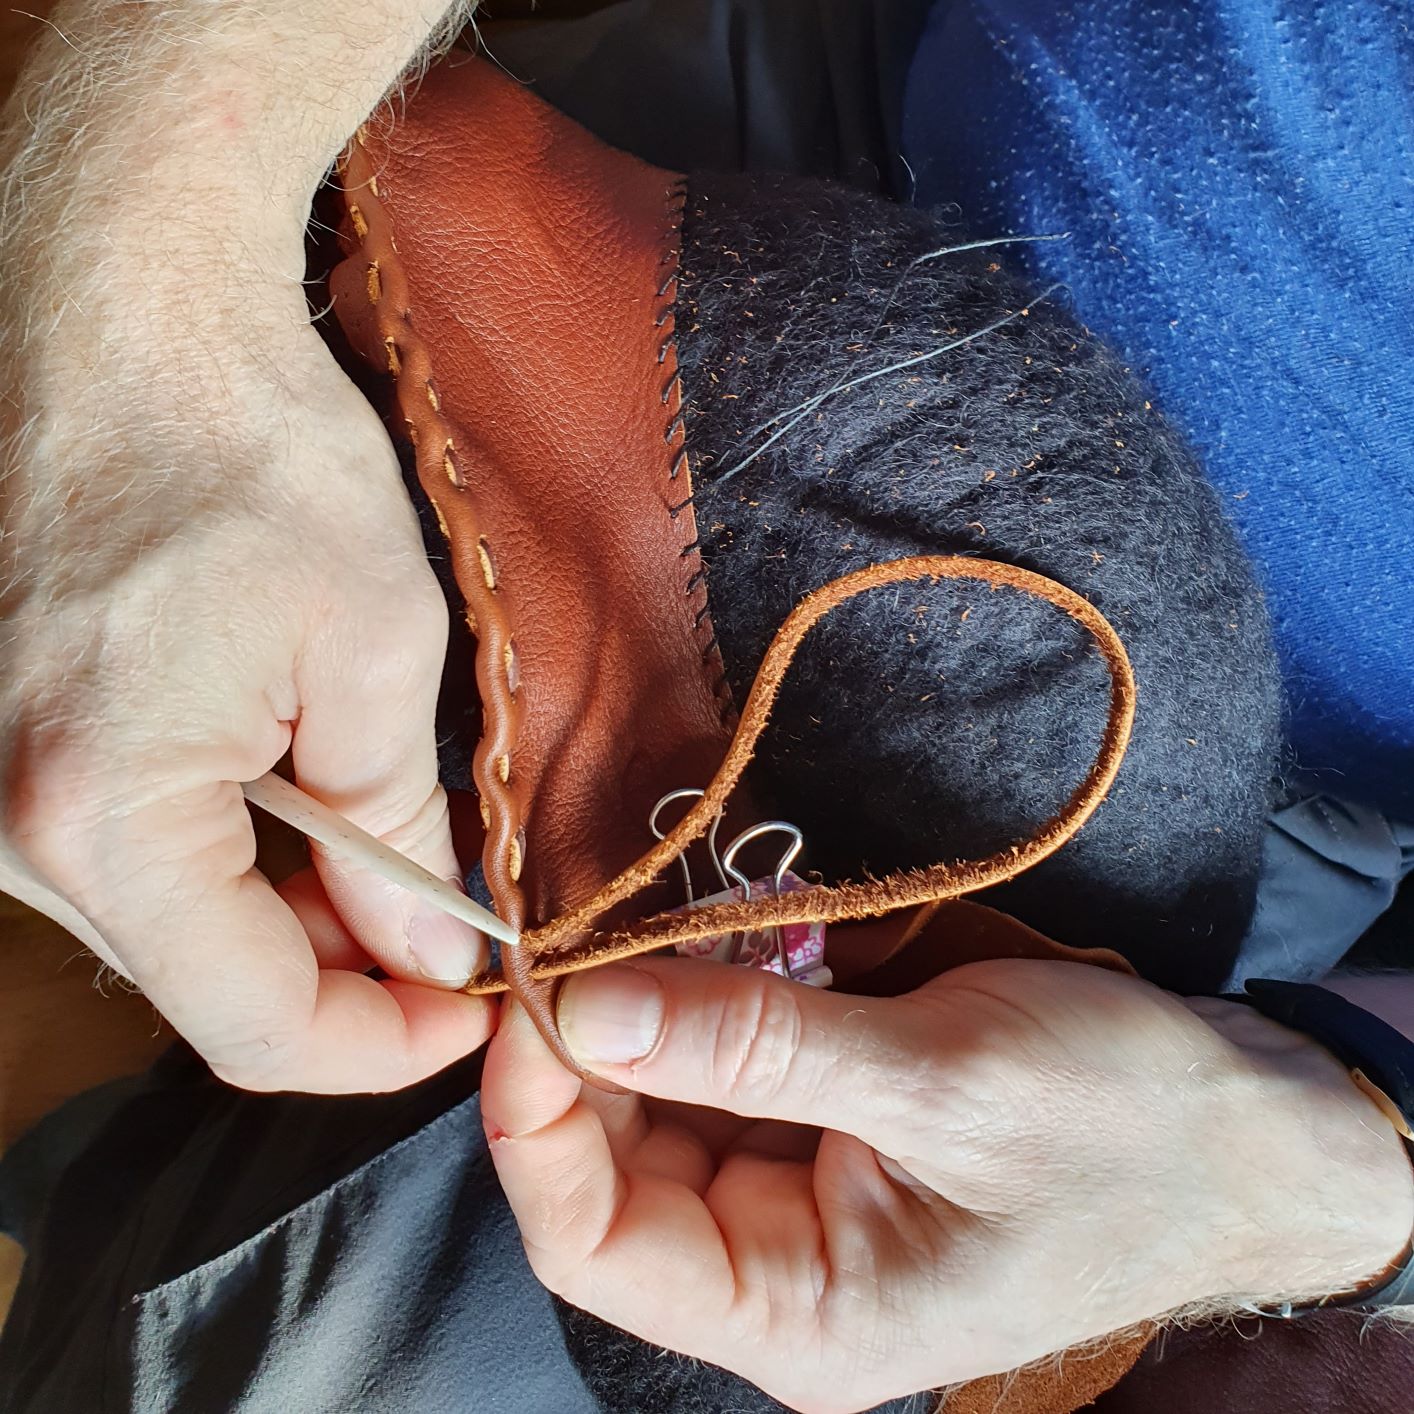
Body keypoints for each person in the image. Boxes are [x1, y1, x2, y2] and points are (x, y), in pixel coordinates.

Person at [0, 3, 1409, 1412]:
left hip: (1318, 879)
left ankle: (103, 1172)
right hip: (870, 213)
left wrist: (1326, 1173)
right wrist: (156, 270)